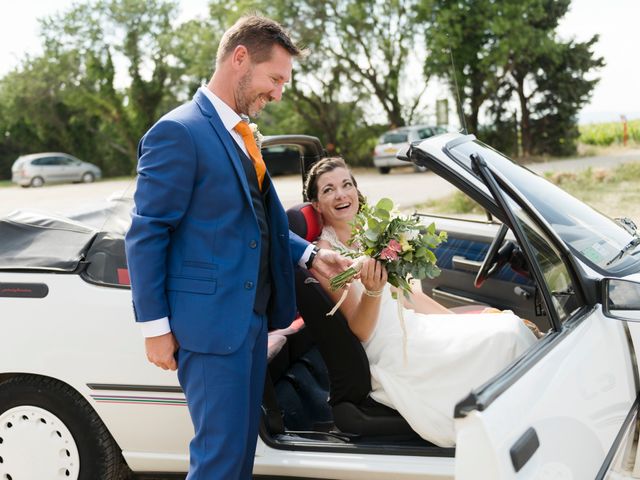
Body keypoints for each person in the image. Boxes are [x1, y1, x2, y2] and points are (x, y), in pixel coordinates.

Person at [124, 16, 350, 480]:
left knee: (240, 454)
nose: (278, 93)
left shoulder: (240, 134)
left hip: (249, 322)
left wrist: (309, 254)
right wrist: (154, 328)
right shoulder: (179, 132)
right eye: (275, 79)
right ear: (240, 59)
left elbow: (256, 225)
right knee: (219, 460)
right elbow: (147, 232)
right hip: (208, 329)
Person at [304, 157, 538, 447]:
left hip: (412, 325)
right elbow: (361, 331)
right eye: (328, 190)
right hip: (388, 348)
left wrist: (459, 322)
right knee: (507, 337)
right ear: (316, 204)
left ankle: (527, 419)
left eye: (346, 184)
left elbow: (410, 297)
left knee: (506, 324)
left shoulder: (371, 235)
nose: (340, 194)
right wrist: (374, 292)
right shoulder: (325, 257)